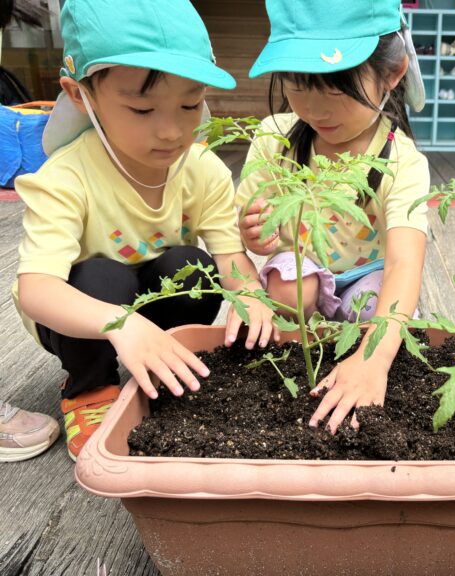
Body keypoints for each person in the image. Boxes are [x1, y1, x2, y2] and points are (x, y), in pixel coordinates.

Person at [13, 0, 276, 461]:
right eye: (141, 108)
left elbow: (231, 258)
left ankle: (159, 368)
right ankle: (89, 388)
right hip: (78, 314)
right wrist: (123, 324)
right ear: (80, 95)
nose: (172, 130)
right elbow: (37, 290)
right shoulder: (65, 177)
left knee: (193, 267)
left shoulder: (202, 170)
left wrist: (250, 294)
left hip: (152, 297)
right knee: (101, 278)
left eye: (191, 103)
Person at [238, 0, 429, 434]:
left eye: (338, 88)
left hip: (368, 272)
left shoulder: (402, 161)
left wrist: (372, 358)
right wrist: (253, 235)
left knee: (373, 312)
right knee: (292, 290)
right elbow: (248, 232)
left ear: (393, 72)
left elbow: (404, 262)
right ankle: (297, 357)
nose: (317, 110)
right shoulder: (273, 138)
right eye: (298, 84)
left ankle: (353, 355)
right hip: (301, 267)